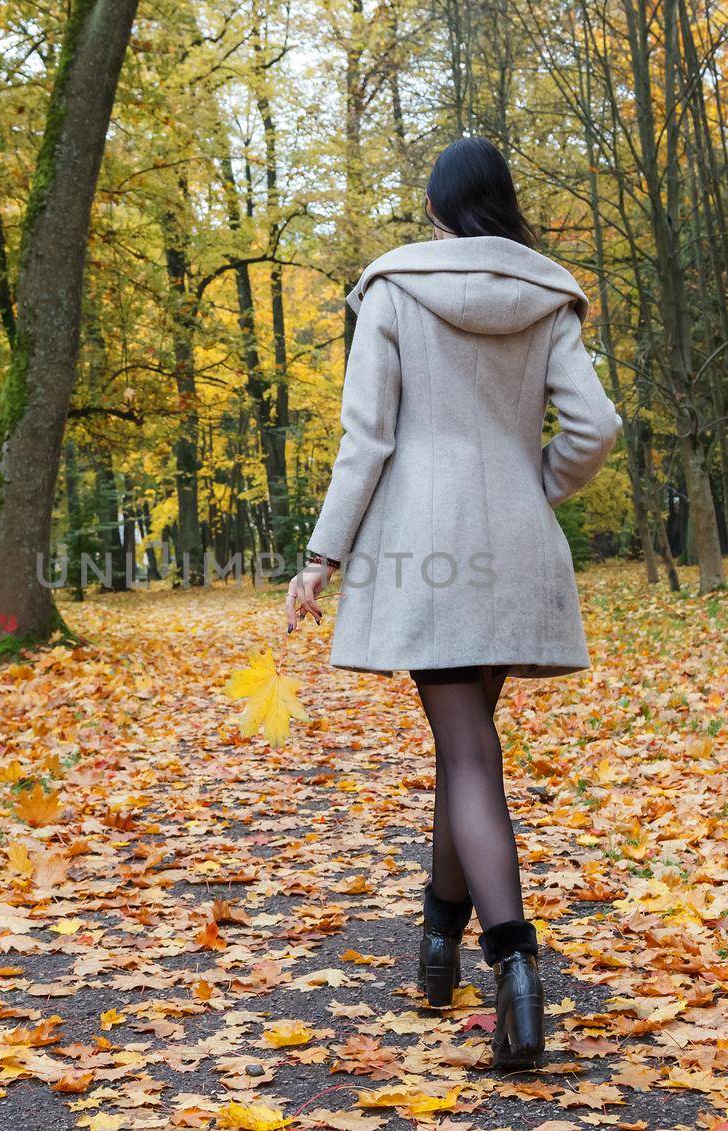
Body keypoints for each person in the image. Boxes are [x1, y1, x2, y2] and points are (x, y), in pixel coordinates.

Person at [284, 137, 621, 1070]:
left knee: (466, 750)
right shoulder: (548, 295)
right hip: (513, 545)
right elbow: (594, 427)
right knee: (465, 748)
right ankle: (437, 948)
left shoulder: (393, 290)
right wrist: (534, 483)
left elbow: (367, 440)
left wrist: (322, 556)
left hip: (427, 551)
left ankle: (513, 961)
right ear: (502, 204)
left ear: (436, 209)